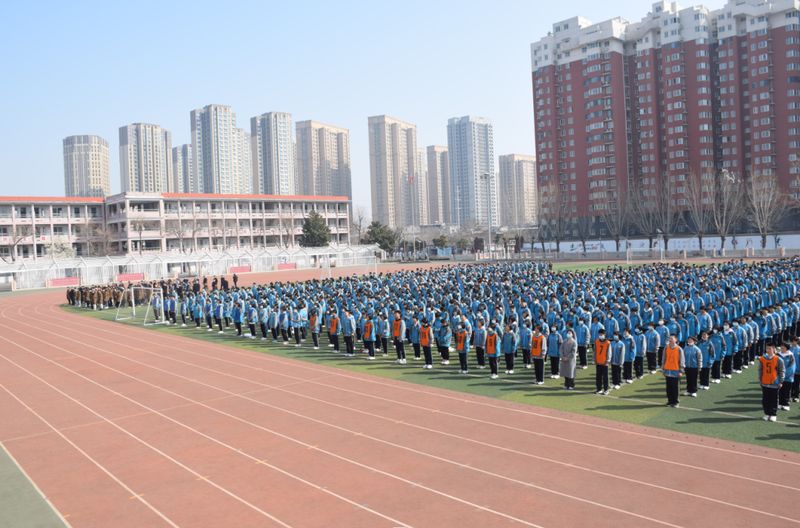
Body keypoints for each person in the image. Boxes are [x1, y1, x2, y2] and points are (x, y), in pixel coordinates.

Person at [759, 344, 785, 422]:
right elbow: (760, 370)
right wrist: (760, 380)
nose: (768, 350)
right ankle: (766, 413)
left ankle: (773, 414)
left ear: (773, 349)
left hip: (774, 383)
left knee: (773, 399)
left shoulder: (778, 359)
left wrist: (781, 381)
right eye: (767, 349)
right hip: (765, 382)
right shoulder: (762, 359)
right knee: (765, 399)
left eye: (769, 349)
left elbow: (782, 371)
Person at [662, 335, 685, 408]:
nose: (670, 340)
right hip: (667, 371)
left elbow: (682, 361)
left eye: (672, 338)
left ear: (676, 340)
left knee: (675, 387)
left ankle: (675, 402)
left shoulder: (679, 349)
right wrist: (663, 368)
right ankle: (670, 401)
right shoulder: (666, 348)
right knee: (668, 387)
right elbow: (664, 358)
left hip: (675, 371)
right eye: (669, 338)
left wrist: (681, 371)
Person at [778, 342, 795, 411]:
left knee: (787, 391)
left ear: (787, 348)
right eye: (781, 347)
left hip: (788, 378)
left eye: (783, 347)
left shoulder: (791, 356)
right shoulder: (778, 355)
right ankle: (780, 403)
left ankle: (786, 404)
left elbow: (792, 368)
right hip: (779, 378)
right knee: (780, 391)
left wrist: (784, 375)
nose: (781, 348)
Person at [594, 330, 610, 395]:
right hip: (598, 362)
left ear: (604, 334)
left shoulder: (608, 343)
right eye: (599, 334)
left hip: (604, 362)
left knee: (605, 377)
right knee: (598, 376)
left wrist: (607, 361)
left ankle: (606, 390)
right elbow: (595, 351)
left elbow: (609, 353)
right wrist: (595, 359)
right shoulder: (596, 341)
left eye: (602, 334)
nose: (600, 336)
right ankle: (599, 389)